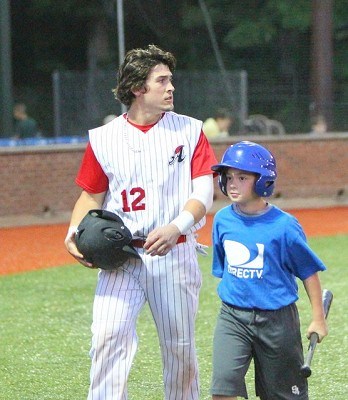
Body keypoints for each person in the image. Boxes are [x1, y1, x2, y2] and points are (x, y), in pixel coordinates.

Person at [64, 44, 218, 400]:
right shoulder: (103, 139)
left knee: (180, 350)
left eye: (170, 79)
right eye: (161, 80)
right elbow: (91, 195)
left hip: (175, 253)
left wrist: (177, 226)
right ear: (138, 87)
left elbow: (203, 194)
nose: (171, 87)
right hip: (120, 257)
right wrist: (72, 233)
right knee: (107, 338)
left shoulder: (190, 131)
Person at [210, 141, 328, 400]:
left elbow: (308, 271)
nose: (232, 183)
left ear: (263, 181)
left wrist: (318, 318)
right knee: (222, 389)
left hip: (277, 321)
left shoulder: (284, 226)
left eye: (242, 177)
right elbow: (225, 267)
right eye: (228, 177)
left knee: (282, 395)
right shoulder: (222, 220)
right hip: (233, 316)